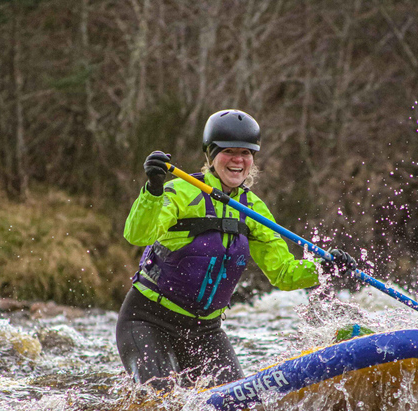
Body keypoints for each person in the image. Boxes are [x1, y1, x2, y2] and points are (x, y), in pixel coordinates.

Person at [115, 109, 357, 390]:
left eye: (246, 152)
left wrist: (323, 269)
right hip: (148, 320)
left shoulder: (253, 209)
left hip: (205, 331)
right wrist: (153, 190)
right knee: (160, 401)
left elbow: (284, 274)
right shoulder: (180, 191)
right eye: (228, 151)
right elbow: (137, 234)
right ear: (210, 155)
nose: (238, 160)